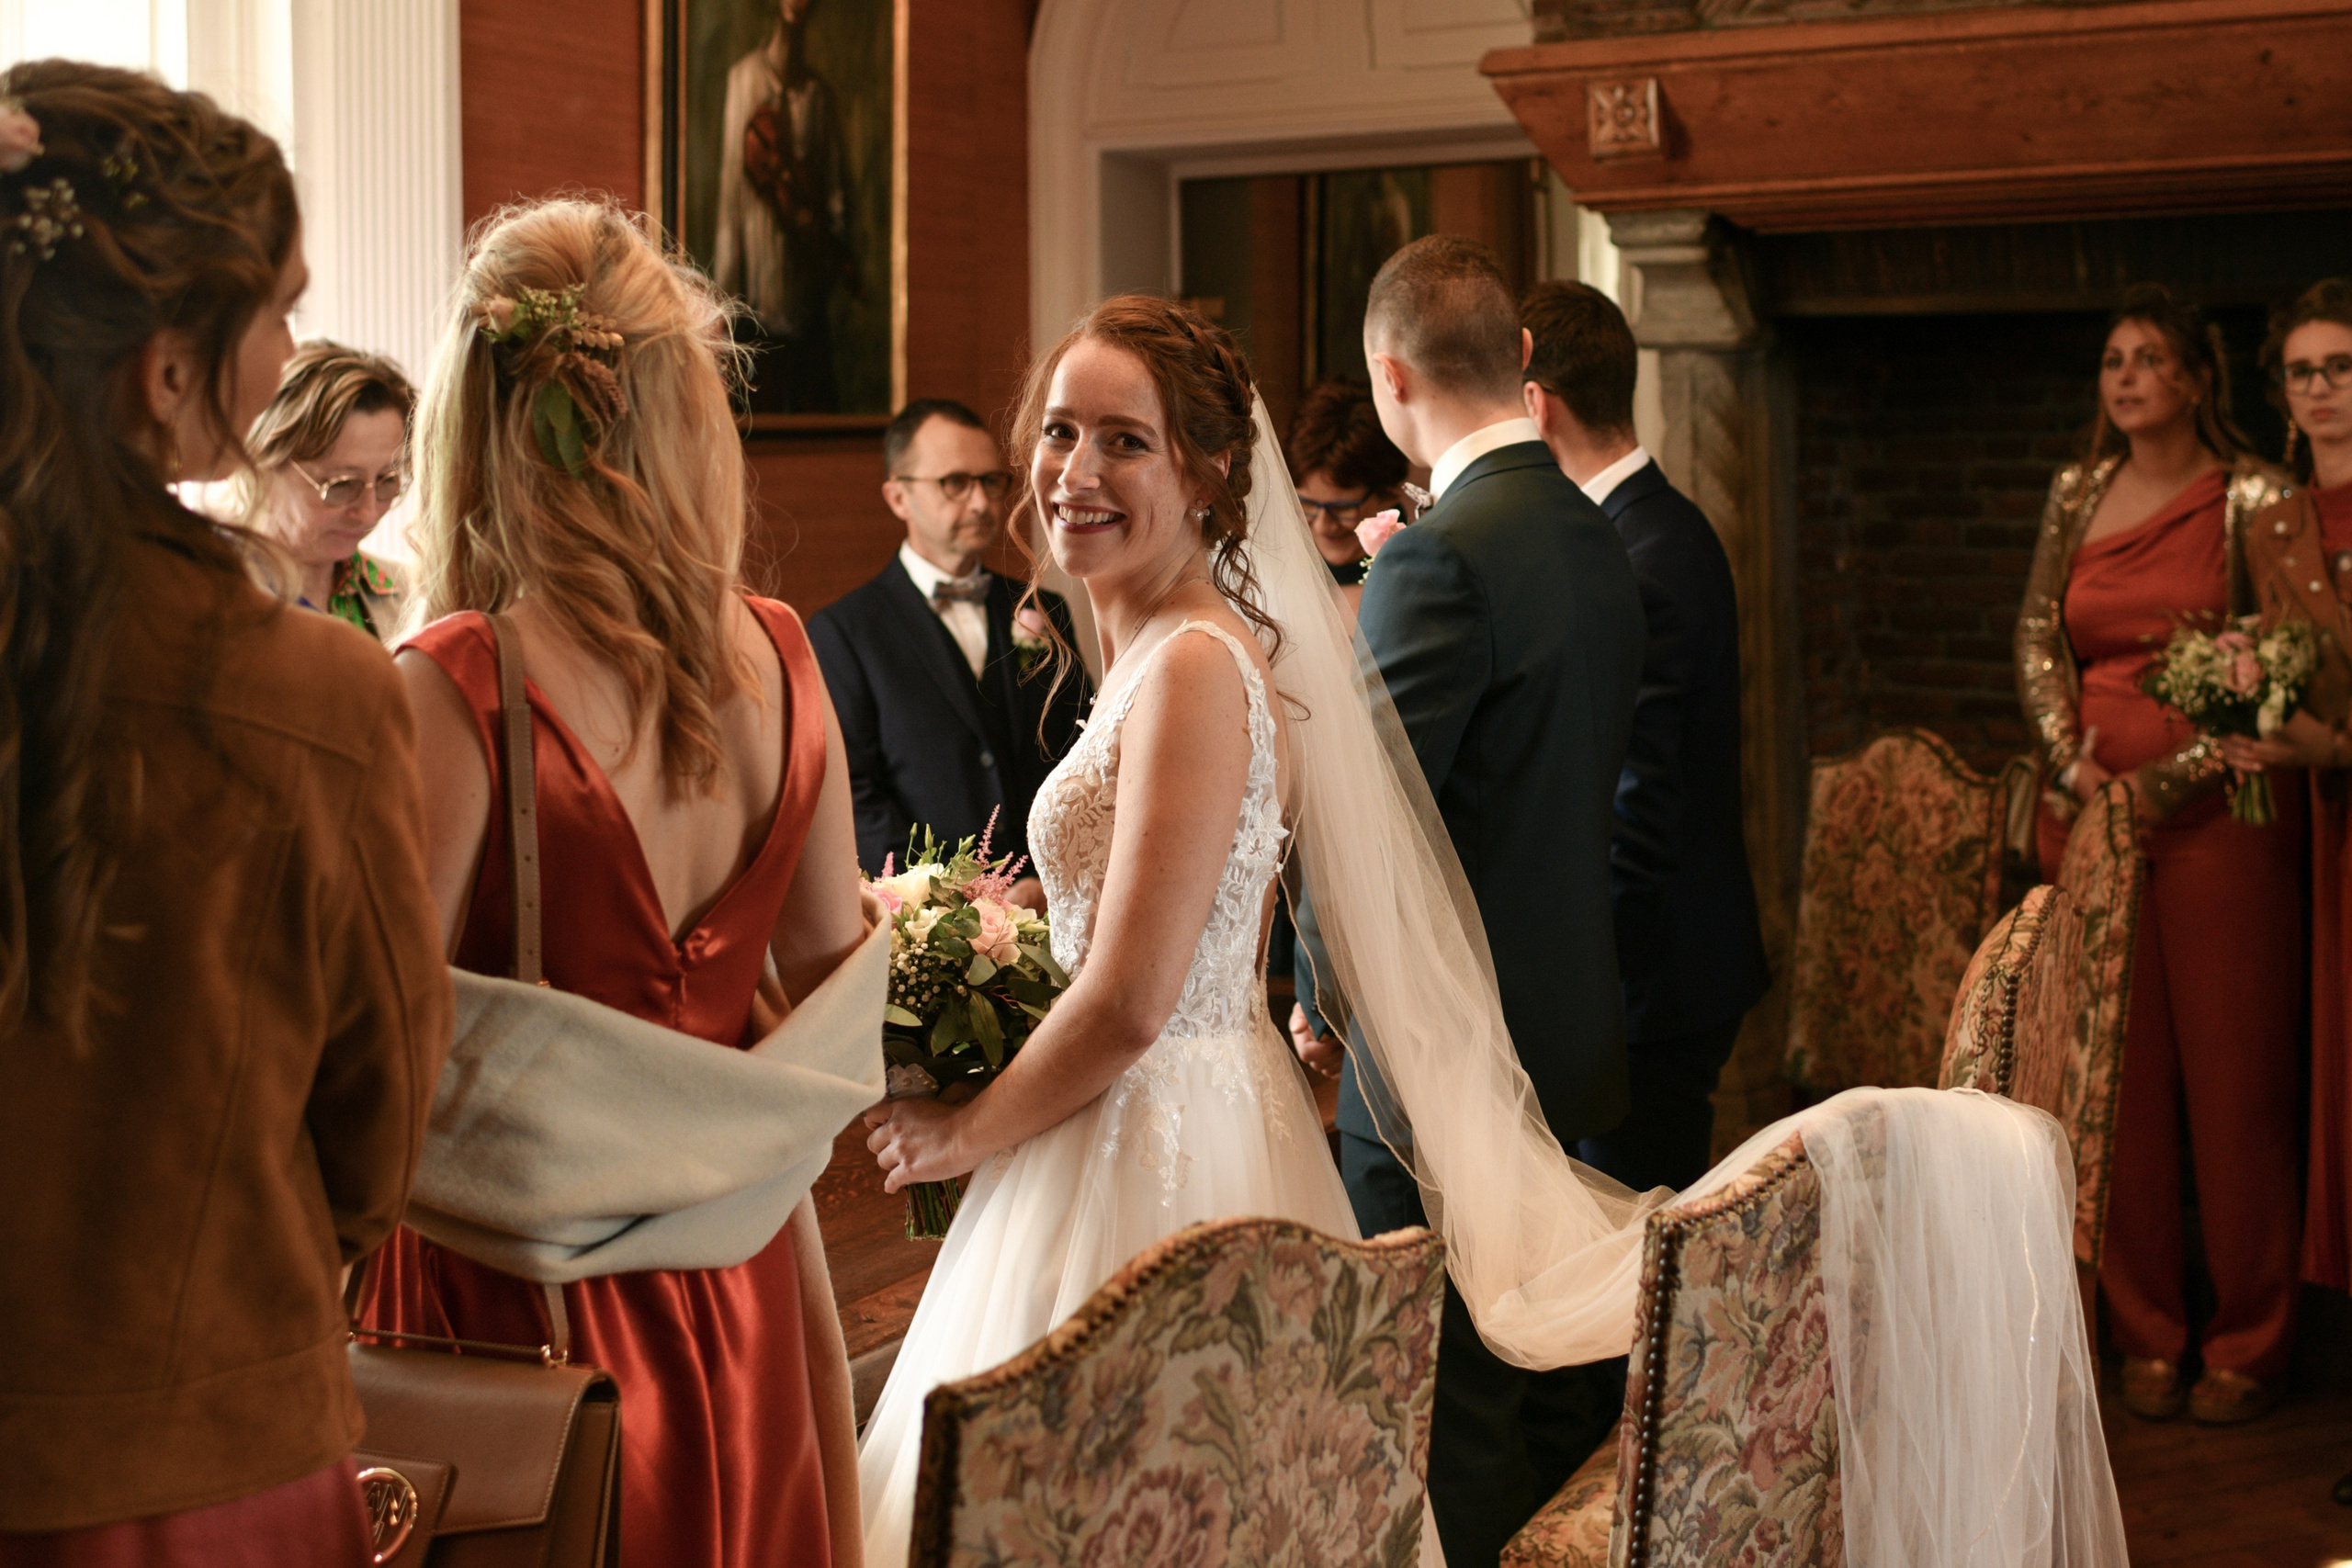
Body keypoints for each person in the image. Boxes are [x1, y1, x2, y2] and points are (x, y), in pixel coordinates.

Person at [357, 197, 870, 1568]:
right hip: (743, 1274)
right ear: (682, 409)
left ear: (474, 423)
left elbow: (380, 1048)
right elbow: (832, 967)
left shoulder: (467, 678)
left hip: (516, 1297)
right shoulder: (779, 655)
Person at [0, 62, 450, 1556]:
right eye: (279, 309)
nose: (294, 347)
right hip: (182, 1456)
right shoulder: (310, 698)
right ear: (169, 372)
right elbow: (377, 1136)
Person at [854, 297, 1363, 1568]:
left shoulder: (1192, 661)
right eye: (1061, 432)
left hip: (1163, 1129)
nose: (1073, 474)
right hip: (1126, 1103)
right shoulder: (1150, 644)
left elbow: (1138, 995)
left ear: (1200, 469)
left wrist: (964, 1131)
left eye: (1123, 441)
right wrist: (994, 927)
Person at [1309, 237, 1647, 1567]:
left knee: (1440, 1418)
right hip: (1569, 1027)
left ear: (1391, 378)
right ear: (1520, 361)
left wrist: (1316, 998)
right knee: (1529, 1398)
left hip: (1445, 1060)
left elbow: (1369, 828)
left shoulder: (1438, 559)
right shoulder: (1593, 526)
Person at [2014, 283, 2301, 1426]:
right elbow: (2037, 634)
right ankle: (2143, 1328)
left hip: (2223, 828)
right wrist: (2071, 767)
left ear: (2193, 379)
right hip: (2088, 823)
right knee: (2112, 1092)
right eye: (2110, 361)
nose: (2124, 377)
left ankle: (2250, 1335)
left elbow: (2283, 665)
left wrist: (2161, 783)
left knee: (2238, 1092)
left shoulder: (2253, 496)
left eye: (2147, 359)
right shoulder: (2074, 490)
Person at [1520, 279, 1769, 1194]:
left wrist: (1569, 996)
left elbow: (1636, 810)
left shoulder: (1636, 561)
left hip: (1645, 993)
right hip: (1669, 973)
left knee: (1632, 1256)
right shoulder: (1656, 527)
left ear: (1534, 406)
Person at [808, 398, 1087, 892]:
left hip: (1046, 901)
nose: (980, 503)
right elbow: (854, 795)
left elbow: (1080, 755)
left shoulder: (1044, 612)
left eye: (990, 481)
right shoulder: (842, 633)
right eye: (955, 483)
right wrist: (943, 901)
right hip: (923, 923)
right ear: (898, 497)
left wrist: (1050, 878)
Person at [2225, 278, 2352, 1310]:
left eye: (2340, 367)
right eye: (2303, 372)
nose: (2319, 388)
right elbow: (2275, 668)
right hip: (2326, 832)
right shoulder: (2274, 529)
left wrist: (2331, 745)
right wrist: (2245, 698)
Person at [712, 0, 851, 412]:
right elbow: (729, 196)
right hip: (757, 291)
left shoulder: (817, 95)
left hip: (804, 292)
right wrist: (728, 300)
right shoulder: (743, 79)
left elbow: (835, 195)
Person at [242, 339, 412, 640]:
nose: (368, 512)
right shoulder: (213, 593)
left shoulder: (410, 593)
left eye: (388, 481)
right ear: (262, 464)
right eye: (342, 485)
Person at [1285, 374, 1411, 618]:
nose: (1323, 525)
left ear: (1390, 492)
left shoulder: (1414, 583)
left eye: (1342, 507)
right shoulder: (1277, 578)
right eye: (1307, 503)